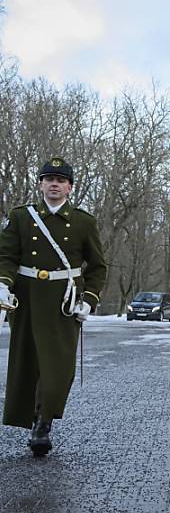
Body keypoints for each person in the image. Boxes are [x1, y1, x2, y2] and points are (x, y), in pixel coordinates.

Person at [0, 157, 108, 457]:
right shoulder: (22, 217)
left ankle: (45, 419)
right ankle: (36, 422)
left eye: (60, 180)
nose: (54, 185)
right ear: (41, 184)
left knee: (58, 370)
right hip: (27, 298)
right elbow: (6, 255)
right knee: (28, 363)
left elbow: (97, 266)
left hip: (64, 303)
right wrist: (3, 283)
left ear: (70, 187)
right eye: (48, 179)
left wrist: (89, 299)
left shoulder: (84, 222)